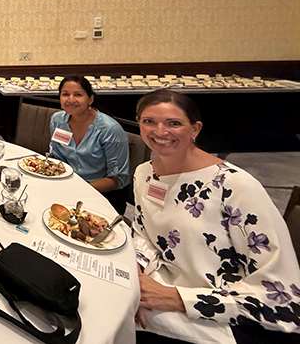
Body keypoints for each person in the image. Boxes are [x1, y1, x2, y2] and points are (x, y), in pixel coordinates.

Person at [132, 89, 299, 344]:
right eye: (149, 121)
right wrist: (139, 275)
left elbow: (279, 293)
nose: (160, 131)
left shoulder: (234, 186)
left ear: (195, 129)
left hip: (225, 314)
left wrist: (175, 298)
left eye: (174, 123)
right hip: (159, 286)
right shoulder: (144, 173)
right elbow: (143, 233)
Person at [49, 75, 130, 213]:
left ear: (90, 99)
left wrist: (80, 189)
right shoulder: (57, 120)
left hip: (101, 195)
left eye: (78, 95)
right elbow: (56, 158)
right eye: (65, 94)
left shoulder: (109, 129)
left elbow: (118, 179)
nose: (70, 99)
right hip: (65, 186)